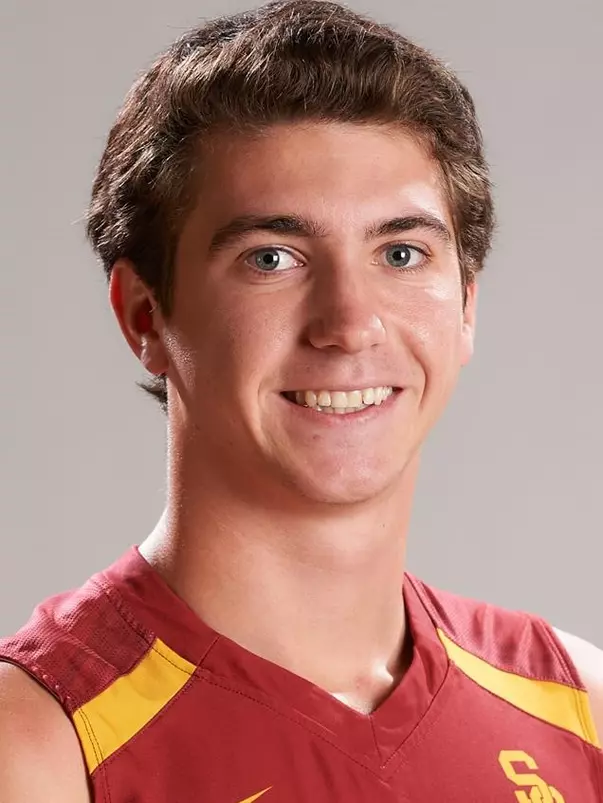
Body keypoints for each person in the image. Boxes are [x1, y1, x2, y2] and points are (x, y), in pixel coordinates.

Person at [1, 1, 602, 800]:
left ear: (465, 305)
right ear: (144, 314)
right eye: (272, 256)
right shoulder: (41, 742)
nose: (349, 324)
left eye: (400, 251)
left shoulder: (578, 707)